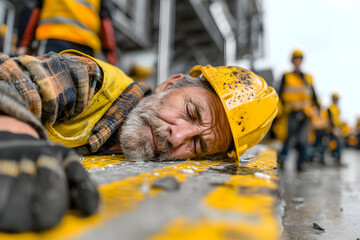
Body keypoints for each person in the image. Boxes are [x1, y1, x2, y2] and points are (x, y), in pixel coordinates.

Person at [0, 50, 278, 232]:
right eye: (191, 112)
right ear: (168, 84)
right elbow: (15, 77)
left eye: (198, 146)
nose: (178, 137)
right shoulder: (93, 81)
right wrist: (14, 130)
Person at [15, 0, 117, 65]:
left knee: (44, 84)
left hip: (54, 38)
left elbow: (31, 8)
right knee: (79, 93)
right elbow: (106, 20)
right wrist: (110, 54)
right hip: (86, 47)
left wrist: (23, 44)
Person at [277, 49, 320, 171]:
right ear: (292, 61)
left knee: (303, 140)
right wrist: (278, 112)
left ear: (302, 61)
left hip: (305, 113)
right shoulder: (286, 76)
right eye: (295, 59)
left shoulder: (308, 78)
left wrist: (317, 110)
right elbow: (279, 94)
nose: (297, 61)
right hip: (291, 112)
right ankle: (282, 160)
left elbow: (314, 96)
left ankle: (300, 163)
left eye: (299, 59)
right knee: (289, 137)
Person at [327, 93, 344, 166]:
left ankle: (337, 159)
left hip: (337, 128)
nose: (337, 100)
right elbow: (330, 119)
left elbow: (338, 119)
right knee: (335, 143)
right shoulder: (330, 108)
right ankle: (337, 159)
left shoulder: (337, 109)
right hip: (332, 128)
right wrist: (333, 129)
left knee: (337, 144)